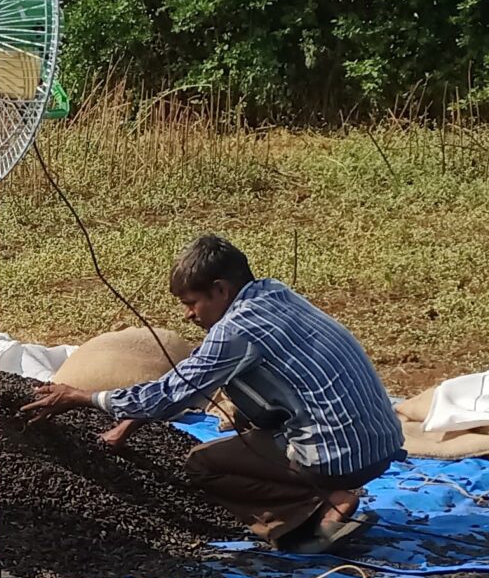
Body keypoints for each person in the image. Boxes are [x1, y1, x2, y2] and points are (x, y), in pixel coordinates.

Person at [22, 234, 402, 549]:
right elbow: (193, 376)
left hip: (340, 455)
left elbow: (174, 392)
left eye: (192, 303)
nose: (188, 315)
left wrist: (83, 397)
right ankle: (327, 490)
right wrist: (130, 423)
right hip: (381, 441)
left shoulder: (237, 330)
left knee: (202, 465)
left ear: (220, 289)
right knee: (245, 410)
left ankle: (323, 503)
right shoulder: (273, 294)